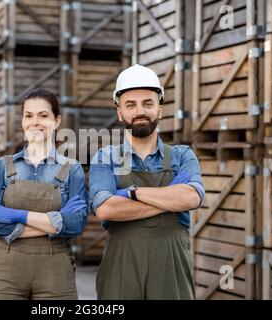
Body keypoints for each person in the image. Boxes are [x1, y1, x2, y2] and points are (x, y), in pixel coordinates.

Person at [89, 64, 205, 300]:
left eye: (148, 103)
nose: (139, 110)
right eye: (130, 104)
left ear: (160, 110)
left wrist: (131, 192)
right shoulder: (105, 157)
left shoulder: (182, 155)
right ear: (120, 112)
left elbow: (191, 197)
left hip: (171, 270)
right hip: (121, 270)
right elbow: (106, 208)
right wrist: (170, 197)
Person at [0, 88, 88, 300]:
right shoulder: (3, 167)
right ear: (22, 120)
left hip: (55, 270)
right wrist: (56, 222)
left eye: (43, 115)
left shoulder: (71, 169)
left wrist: (16, 215)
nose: (35, 122)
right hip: (7, 270)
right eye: (28, 115)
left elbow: (76, 225)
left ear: (57, 121)